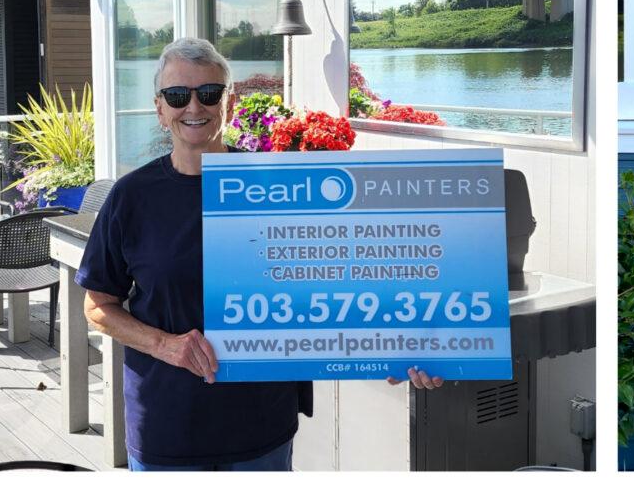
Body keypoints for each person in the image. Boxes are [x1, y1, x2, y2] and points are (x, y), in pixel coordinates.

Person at [78, 37, 442, 471]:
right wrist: (164, 345)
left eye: (209, 94)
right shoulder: (131, 197)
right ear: (161, 109)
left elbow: (339, 282)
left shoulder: (279, 189)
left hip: (261, 428)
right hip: (168, 426)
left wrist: (405, 346)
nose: (194, 107)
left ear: (229, 103)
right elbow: (97, 306)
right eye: (178, 95)